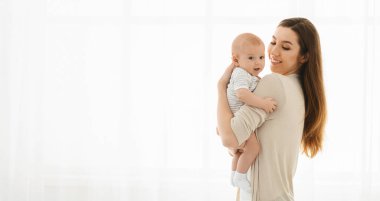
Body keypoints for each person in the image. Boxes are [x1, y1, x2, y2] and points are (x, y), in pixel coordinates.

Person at [217, 17, 327, 201]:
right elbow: (239, 146)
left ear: (304, 56)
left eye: (285, 47)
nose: (273, 52)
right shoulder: (300, 88)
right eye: (273, 42)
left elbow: (229, 139)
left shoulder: (274, 83)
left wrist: (221, 87)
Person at [225, 33, 277, 193]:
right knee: (253, 148)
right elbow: (242, 94)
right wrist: (263, 104)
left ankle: (234, 174)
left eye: (261, 57)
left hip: (236, 117)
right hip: (238, 117)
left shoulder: (248, 75)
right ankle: (240, 176)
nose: (258, 62)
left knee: (241, 151)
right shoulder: (241, 73)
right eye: (251, 58)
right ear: (236, 60)